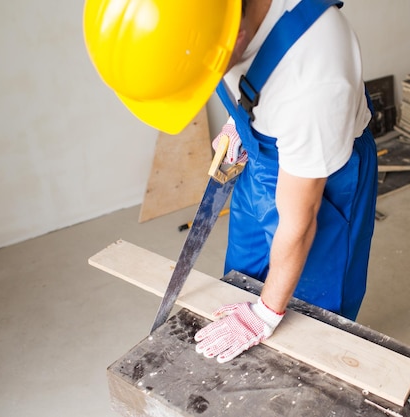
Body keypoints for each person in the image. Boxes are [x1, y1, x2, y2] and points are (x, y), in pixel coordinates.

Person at [83, 0, 377, 364]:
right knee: (241, 280)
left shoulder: (314, 81)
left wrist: (267, 313)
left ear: (235, 40)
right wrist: (241, 122)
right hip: (263, 158)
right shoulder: (211, 16)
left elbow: (299, 224)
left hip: (325, 181)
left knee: (312, 316)